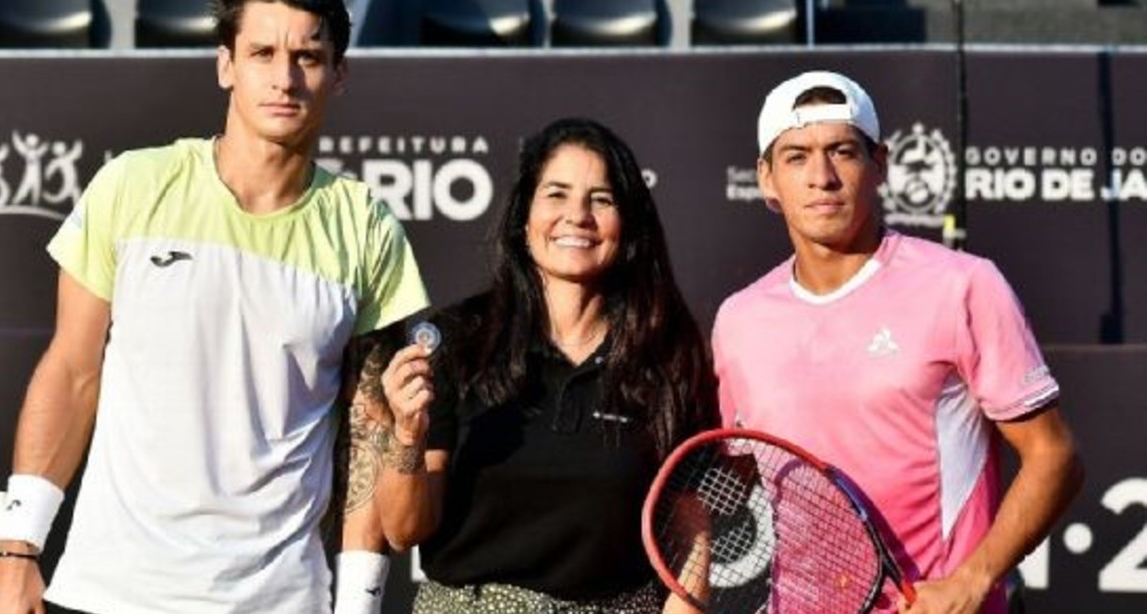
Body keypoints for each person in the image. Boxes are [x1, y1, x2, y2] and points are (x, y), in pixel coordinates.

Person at [0, 0, 428, 612]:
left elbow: (368, 432)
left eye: (307, 57)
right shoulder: (133, 185)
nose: (284, 79)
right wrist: (17, 551)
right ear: (226, 65)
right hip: (113, 593)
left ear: (339, 73)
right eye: (262, 53)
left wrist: (359, 602)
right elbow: (72, 372)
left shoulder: (366, 228)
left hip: (279, 600)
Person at [711, 70, 1083, 614]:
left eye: (842, 152)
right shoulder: (739, 320)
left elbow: (1055, 455)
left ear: (880, 164)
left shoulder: (963, 286)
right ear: (766, 178)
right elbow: (738, 476)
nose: (822, 177)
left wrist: (972, 580)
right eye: (796, 157)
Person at [365, 117, 718, 613]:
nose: (578, 216)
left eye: (601, 199)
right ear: (524, 217)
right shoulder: (461, 338)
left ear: (628, 224)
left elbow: (690, 533)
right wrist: (406, 434)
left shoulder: (667, 354)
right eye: (556, 194)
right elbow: (405, 531)